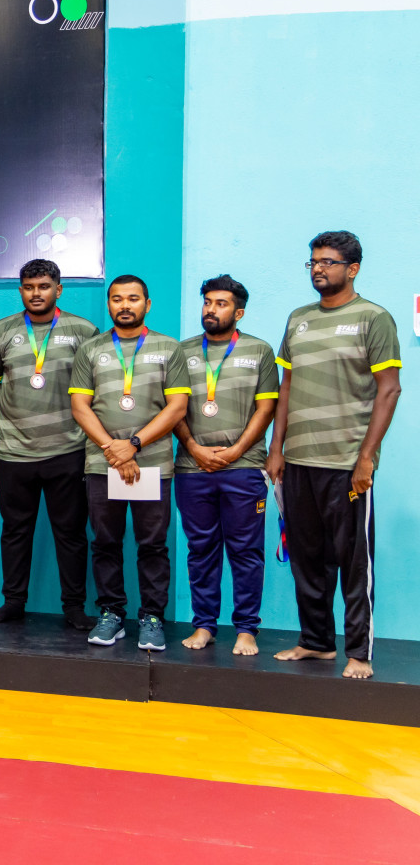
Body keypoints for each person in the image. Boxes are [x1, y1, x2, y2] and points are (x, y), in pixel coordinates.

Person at [267, 231, 401, 680]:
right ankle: (316, 642)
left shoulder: (373, 318)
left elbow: (389, 390)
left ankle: (358, 652)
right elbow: (286, 388)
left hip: (346, 463)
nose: (319, 269)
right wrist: (276, 447)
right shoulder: (298, 319)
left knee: (353, 561)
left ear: (353, 268)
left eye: (327, 261)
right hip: (299, 460)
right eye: (313, 263)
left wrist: (367, 458)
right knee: (307, 557)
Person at [0, 258, 99, 629]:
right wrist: (18, 413)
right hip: (15, 453)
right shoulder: (1, 331)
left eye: (43, 287)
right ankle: (13, 602)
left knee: (72, 533)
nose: (36, 294)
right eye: (29, 287)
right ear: (20, 291)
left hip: (69, 450)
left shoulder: (83, 330)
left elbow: (95, 386)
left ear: (58, 290)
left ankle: (74, 607)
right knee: (15, 531)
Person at [68, 275, 189, 650]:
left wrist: (133, 445)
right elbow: (79, 407)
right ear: (109, 305)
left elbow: (177, 407)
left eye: (133, 298)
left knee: (152, 544)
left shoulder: (169, 348)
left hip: (152, 464)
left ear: (147, 304)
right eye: (117, 299)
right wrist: (113, 449)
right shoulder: (91, 349)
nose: (125, 305)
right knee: (105, 542)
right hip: (102, 464)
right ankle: (112, 614)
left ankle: (152, 617)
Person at [172, 275, 281, 655]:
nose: (210, 309)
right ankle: (204, 625)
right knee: (201, 549)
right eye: (207, 302)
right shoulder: (181, 351)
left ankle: (247, 629)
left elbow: (267, 408)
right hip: (192, 468)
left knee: (246, 551)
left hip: (245, 467)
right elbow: (174, 407)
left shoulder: (259, 350)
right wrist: (192, 447)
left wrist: (235, 451)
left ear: (239, 311)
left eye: (220, 303)